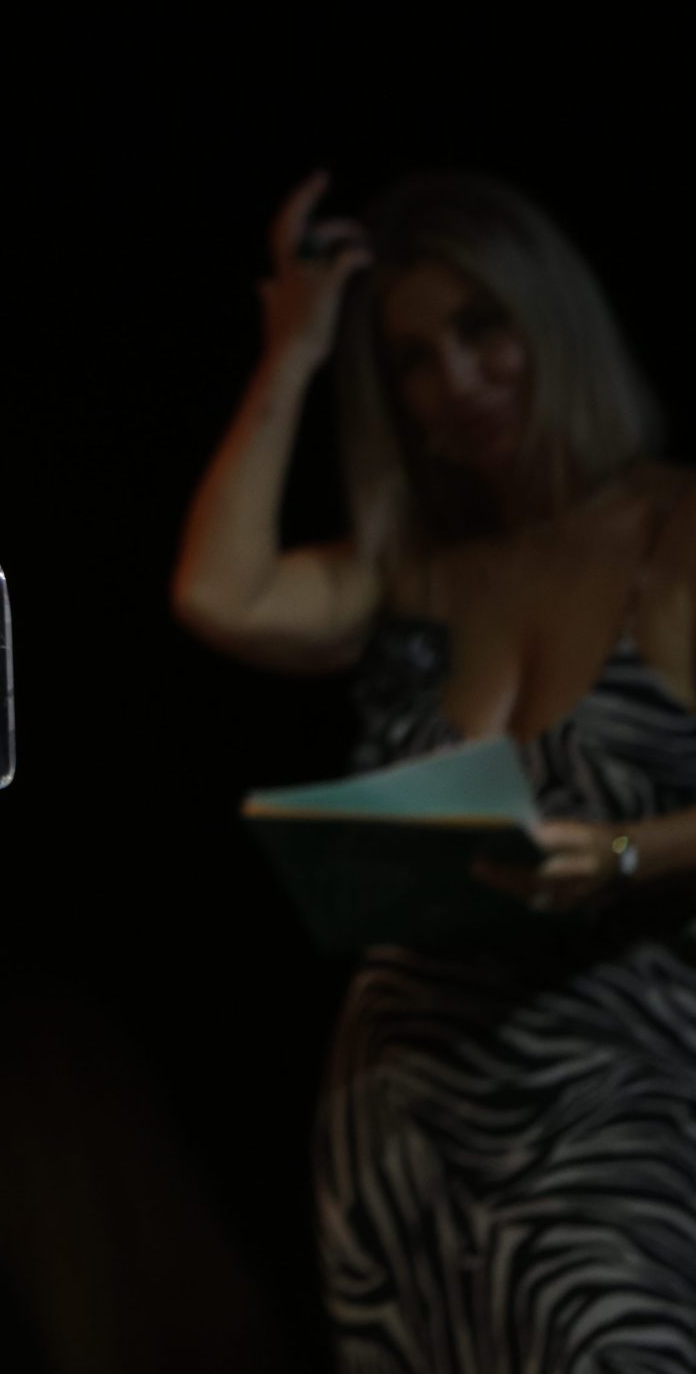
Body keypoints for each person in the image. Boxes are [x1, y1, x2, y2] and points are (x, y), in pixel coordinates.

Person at [173, 170, 694, 1370]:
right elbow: (218, 590)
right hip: (398, 1129)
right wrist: (296, 350)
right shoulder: (411, 570)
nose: (452, 383)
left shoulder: (673, 532)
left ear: (551, 319)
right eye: (410, 359)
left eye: (481, 329)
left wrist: (626, 852)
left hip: (613, 1105)